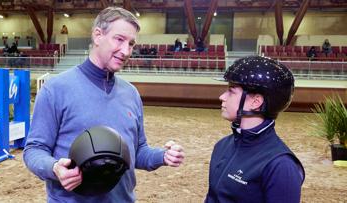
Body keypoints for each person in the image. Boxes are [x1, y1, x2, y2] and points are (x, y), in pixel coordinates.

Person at [23, 7, 185, 202]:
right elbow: (34, 150)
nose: (126, 51)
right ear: (98, 35)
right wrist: (54, 167)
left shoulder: (131, 93)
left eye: (131, 43)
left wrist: (163, 156)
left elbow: (138, 151)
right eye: (119, 39)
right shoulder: (55, 89)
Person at [205, 56, 305, 203]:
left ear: (255, 102)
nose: (222, 96)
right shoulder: (222, 146)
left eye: (231, 91)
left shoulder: (280, 165)